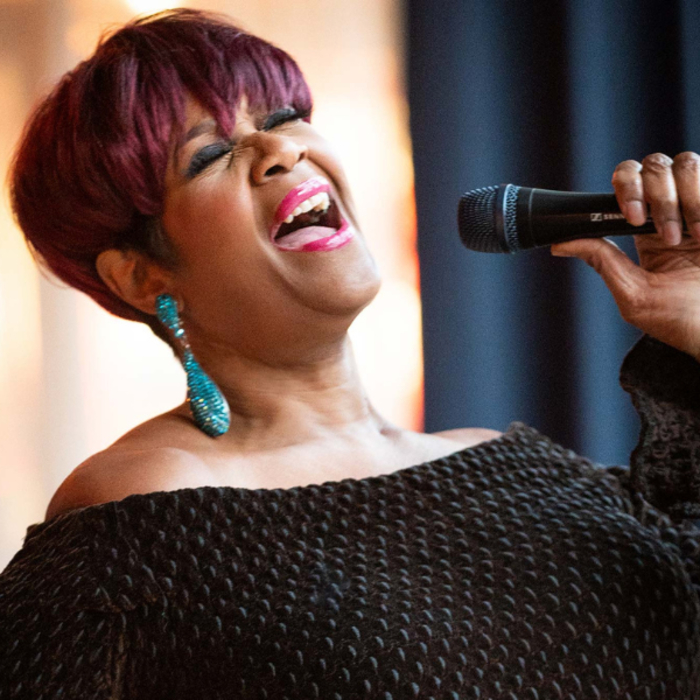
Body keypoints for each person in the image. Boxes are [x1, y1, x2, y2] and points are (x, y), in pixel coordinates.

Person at [2, 8, 700, 699]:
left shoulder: (523, 468)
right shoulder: (141, 518)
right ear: (140, 275)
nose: (281, 151)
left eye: (283, 118)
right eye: (209, 155)